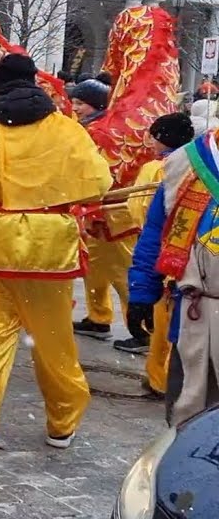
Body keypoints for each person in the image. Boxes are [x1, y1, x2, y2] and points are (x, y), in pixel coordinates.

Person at [0, 53, 112, 461]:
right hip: (49, 246)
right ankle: (61, 421)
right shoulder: (65, 128)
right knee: (53, 338)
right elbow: (98, 182)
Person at [127, 120, 219, 425]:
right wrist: (142, 291)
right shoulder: (191, 161)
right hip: (196, 310)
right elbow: (156, 230)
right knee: (187, 414)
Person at [121, 113, 193, 397]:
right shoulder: (187, 170)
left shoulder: (163, 167)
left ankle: (161, 379)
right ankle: (162, 380)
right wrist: (141, 291)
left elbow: (138, 212)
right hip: (183, 281)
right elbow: (155, 230)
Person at [69, 74, 135, 340]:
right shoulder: (85, 129)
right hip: (92, 211)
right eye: (73, 101)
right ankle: (98, 316)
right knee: (93, 267)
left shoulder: (104, 132)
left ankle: (141, 329)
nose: (75, 107)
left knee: (122, 271)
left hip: (113, 212)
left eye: (80, 103)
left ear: (96, 105)